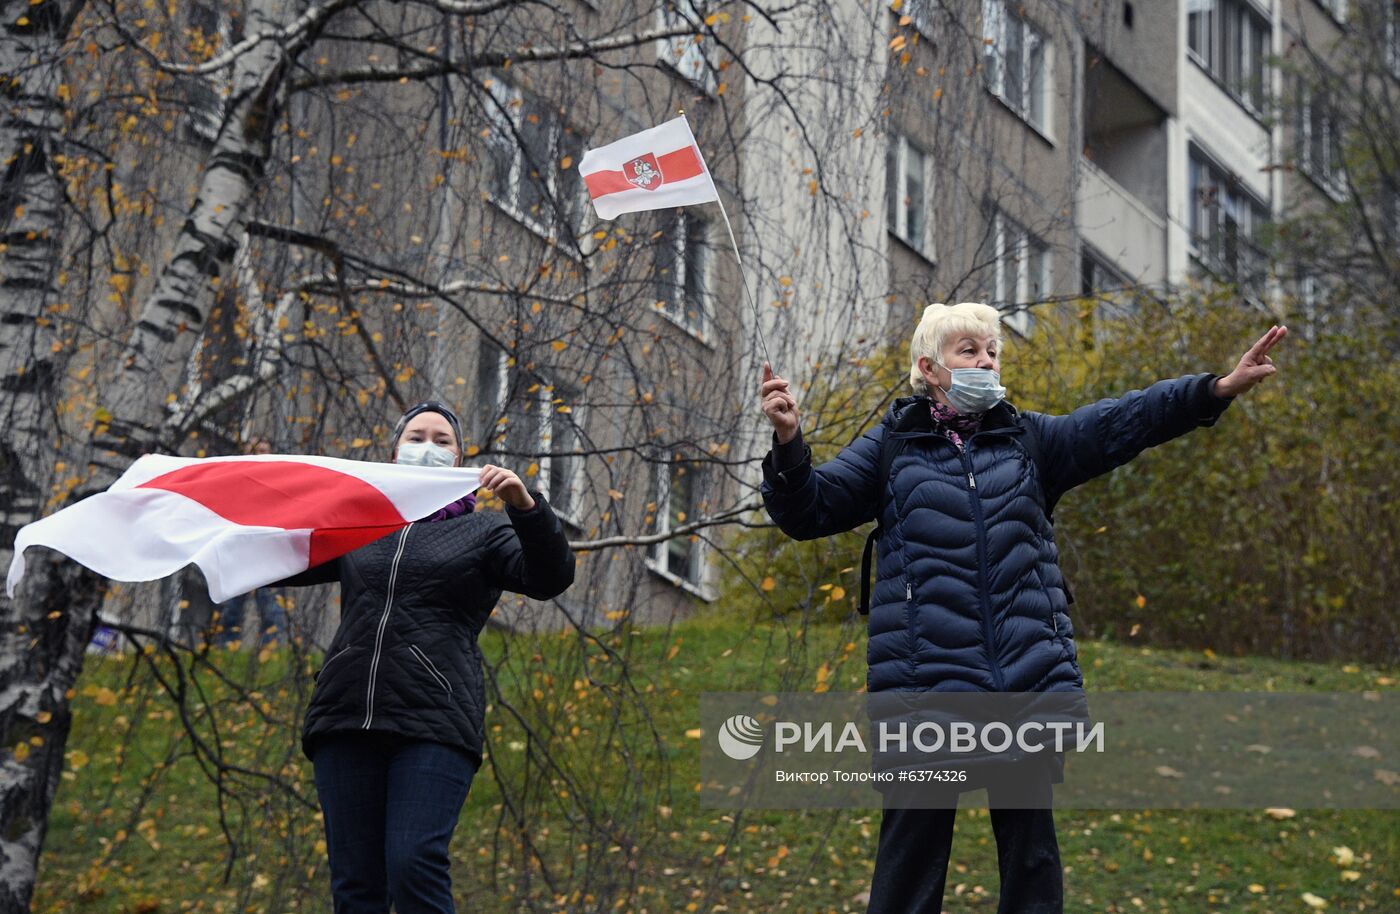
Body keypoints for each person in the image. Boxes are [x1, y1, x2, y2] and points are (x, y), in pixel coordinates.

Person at [757, 302, 1286, 914]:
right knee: (908, 873)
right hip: (923, 688)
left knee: (1033, 864)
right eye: (969, 351)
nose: (986, 361)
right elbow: (809, 512)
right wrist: (790, 443)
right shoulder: (891, 448)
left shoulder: (1029, 439)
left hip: (1025, 682)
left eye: (992, 351)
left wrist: (1215, 389)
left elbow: (1124, 420)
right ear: (929, 367)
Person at [276, 400, 575, 914]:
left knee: (413, 862)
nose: (428, 449)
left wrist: (526, 507)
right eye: (416, 438)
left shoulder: (483, 531)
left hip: (433, 719)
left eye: (442, 441)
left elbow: (550, 578)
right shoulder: (357, 523)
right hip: (344, 715)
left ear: (461, 461)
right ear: (394, 452)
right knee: (355, 886)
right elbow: (273, 557)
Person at [213, 436, 290, 649]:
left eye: (263, 450)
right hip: (238, 553)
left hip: (268, 553)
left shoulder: (279, 481)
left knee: (272, 610)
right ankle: (225, 651)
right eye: (253, 450)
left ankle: (271, 654)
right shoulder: (234, 481)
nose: (259, 455)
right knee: (231, 610)